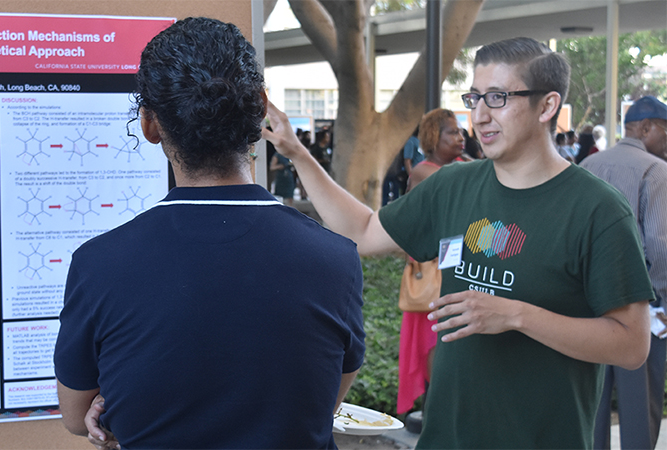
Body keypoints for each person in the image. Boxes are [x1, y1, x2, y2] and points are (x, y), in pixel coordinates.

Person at [263, 36, 652, 449]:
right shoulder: (452, 185)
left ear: (548, 106)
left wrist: (518, 315)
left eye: (498, 98)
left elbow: (631, 344)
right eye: (474, 97)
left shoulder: (599, 210)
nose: (480, 116)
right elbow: (361, 232)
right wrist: (297, 153)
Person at [54, 17, 365, 449]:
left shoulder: (99, 263)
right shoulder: (336, 260)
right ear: (260, 108)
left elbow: (75, 416)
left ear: (150, 124)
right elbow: (322, 400)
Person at [581, 95, 667, 450]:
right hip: (640, 309)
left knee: (591, 403)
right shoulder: (656, 170)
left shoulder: (587, 165)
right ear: (646, 128)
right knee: (638, 411)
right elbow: (660, 247)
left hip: (587, 306)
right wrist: (659, 302)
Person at [397, 109, 465, 415]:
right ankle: (436, 419)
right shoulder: (425, 172)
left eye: (461, 131)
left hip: (455, 267)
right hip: (432, 271)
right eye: (452, 132)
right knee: (435, 350)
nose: (461, 137)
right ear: (434, 137)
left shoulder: (463, 167)